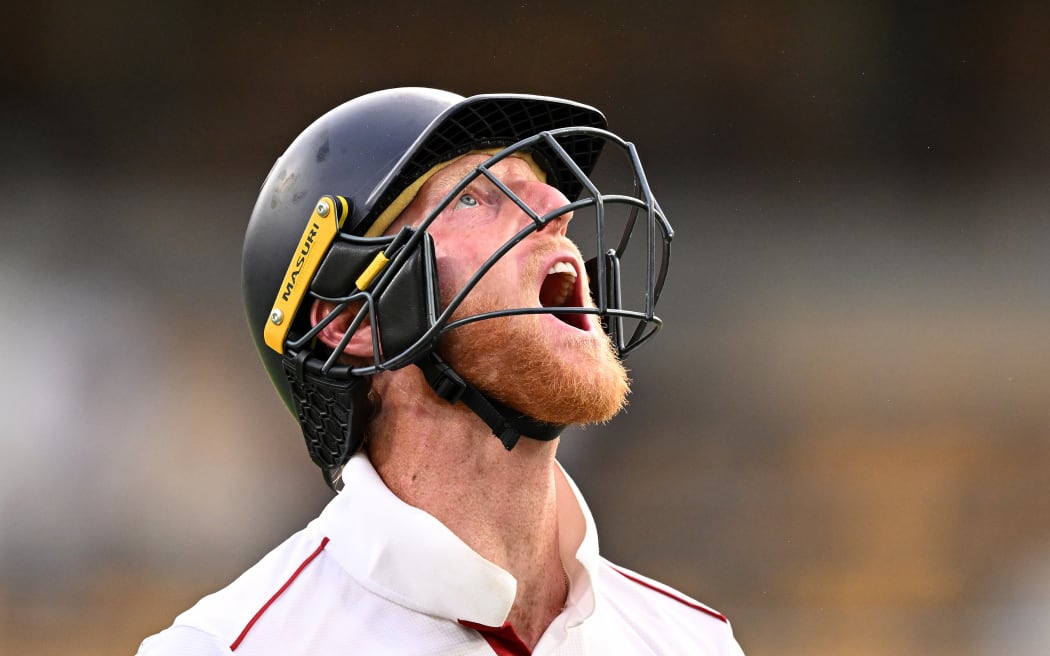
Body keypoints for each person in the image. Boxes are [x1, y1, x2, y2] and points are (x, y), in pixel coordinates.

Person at [137, 87, 745, 655]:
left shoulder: (695, 643)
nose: (559, 207)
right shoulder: (225, 648)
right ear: (354, 321)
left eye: (540, 188)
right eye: (474, 196)